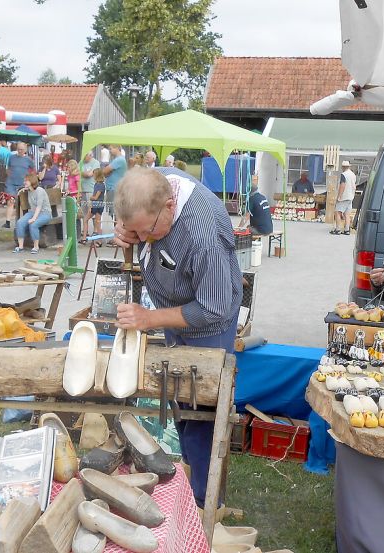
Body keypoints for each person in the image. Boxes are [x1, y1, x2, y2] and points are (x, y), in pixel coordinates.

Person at [113, 167, 242, 508]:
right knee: (181, 404)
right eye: (134, 231)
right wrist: (125, 231)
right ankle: (188, 480)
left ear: (170, 205)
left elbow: (213, 308)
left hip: (208, 326)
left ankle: (203, 504)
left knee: (202, 412)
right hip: (177, 307)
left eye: (146, 230)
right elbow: (135, 218)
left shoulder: (203, 236)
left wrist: (149, 318)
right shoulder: (151, 186)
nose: (142, 237)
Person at [14, 174, 51, 254]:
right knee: (20, 222)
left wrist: (34, 218)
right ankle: (20, 246)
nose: (24, 182)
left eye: (26, 181)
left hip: (45, 213)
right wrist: (23, 189)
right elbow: (26, 189)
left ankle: (36, 246)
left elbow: (39, 206)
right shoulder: (29, 190)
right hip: (33, 212)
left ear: (32, 181)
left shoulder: (40, 191)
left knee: (33, 224)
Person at [4, 142, 36, 228]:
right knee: (10, 202)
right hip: (11, 183)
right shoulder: (11, 157)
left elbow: (33, 171)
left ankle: (24, 222)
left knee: (23, 204)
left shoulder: (28, 160)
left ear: (25, 150)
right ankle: (7, 222)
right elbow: (8, 168)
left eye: (21, 149)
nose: (20, 151)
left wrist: (29, 181)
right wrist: (10, 176)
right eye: (18, 149)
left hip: (22, 184)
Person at [101, 144, 127, 218]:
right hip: (112, 187)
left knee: (115, 212)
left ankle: (118, 228)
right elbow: (106, 172)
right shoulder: (116, 160)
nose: (110, 151)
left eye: (111, 149)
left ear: (117, 148)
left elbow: (105, 171)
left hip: (114, 188)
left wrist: (108, 172)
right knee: (113, 212)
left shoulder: (119, 160)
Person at [80, 152, 100, 241]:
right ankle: (85, 232)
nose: (85, 158)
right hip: (82, 190)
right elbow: (75, 172)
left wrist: (81, 173)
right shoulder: (81, 162)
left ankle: (96, 232)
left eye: (87, 155)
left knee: (93, 212)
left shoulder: (95, 163)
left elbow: (89, 174)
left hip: (92, 190)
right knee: (85, 213)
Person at [331, 160, 356, 235]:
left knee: (337, 212)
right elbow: (354, 186)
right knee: (347, 214)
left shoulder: (343, 175)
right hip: (350, 196)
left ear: (343, 167)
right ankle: (347, 230)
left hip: (344, 196)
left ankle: (338, 229)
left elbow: (343, 185)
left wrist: (339, 196)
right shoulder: (353, 175)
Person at [85, 168, 106, 242]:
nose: (93, 176)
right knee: (98, 223)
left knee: (87, 220)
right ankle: (99, 240)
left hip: (96, 205)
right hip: (98, 205)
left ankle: (85, 238)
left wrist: (91, 198)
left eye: (94, 174)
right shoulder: (99, 184)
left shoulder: (99, 185)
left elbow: (96, 197)